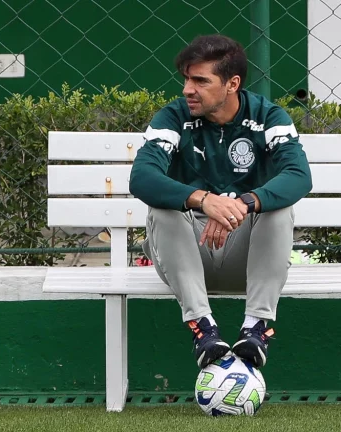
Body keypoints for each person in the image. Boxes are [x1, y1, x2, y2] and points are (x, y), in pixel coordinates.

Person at [128, 34, 313, 370]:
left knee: (278, 210)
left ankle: (256, 328)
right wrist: (203, 200)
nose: (187, 89)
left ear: (232, 84)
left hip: (247, 261)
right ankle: (203, 329)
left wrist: (244, 203)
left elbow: (299, 176)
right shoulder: (173, 118)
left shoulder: (268, 117)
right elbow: (141, 178)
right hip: (185, 258)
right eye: (186, 78)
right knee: (163, 210)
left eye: (200, 80)